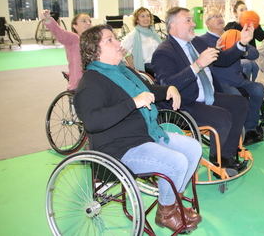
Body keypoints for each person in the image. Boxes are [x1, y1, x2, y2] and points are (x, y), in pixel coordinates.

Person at [74, 24, 202, 233]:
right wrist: (133, 103)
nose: (118, 43)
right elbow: (93, 122)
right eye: (110, 40)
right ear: (94, 50)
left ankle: (172, 202)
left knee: (193, 148)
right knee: (176, 161)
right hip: (119, 149)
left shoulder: (122, 70)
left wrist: (168, 89)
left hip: (145, 134)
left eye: (115, 38)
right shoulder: (91, 83)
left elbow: (148, 91)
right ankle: (167, 212)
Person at [151, 7, 250, 175]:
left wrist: (241, 43)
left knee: (240, 103)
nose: (194, 23)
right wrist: (197, 65)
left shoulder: (195, 42)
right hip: (186, 103)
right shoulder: (163, 52)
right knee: (223, 116)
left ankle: (226, 156)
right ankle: (218, 161)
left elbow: (223, 59)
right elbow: (167, 85)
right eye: (188, 20)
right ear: (173, 25)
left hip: (207, 95)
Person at [200, 9, 264, 146]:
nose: (219, 18)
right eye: (214, 16)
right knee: (238, 98)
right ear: (207, 23)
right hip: (219, 83)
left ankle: (250, 129)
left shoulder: (233, 34)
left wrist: (243, 48)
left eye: (220, 15)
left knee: (258, 89)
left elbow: (254, 55)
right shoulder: (202, 41)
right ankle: (235, 133)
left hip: (238, 79)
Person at [42, 10, 91, 90]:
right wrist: (48, 19)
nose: (88, 23)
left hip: (91, 82)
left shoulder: (92, 41)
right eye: (84, 21)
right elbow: (59, 33)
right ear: (75, 26)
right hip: (78, 84)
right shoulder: (74, 38)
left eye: (89, 21)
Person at [224, 0, 264, 81]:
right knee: (247, 64)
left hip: (252, 56)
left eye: (246, 9)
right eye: (241, 10)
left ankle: (254, 85)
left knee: (256, 64)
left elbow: (263, 38)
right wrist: (240, 23)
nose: (244, 12)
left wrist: (256, 26)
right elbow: (226, 41)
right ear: (235, 13)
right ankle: (245, 86)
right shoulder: (231, 26)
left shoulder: (252, 26)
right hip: (237, 58)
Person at [121, 7, 162, 74]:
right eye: (142, 16)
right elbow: (121, 49)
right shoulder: (133, 35)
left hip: (158, 63)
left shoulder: (154, 34)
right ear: (137, 20)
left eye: (148, 16)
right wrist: (130, 64)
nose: (146, 18)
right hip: (145, 66)